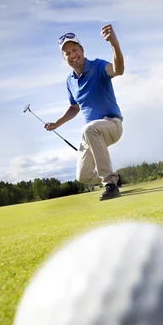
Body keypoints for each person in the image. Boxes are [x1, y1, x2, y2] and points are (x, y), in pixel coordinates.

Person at [45, 25, 124, 201]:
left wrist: (114, 44)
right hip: (91, 134)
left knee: (88, 129)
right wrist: (57, 123)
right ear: (64, 57)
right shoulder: (69, 81)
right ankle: (114, 176)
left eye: (75, 50)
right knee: (83, 177)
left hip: (112, 125)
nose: (72, 55)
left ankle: (110, 184)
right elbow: (74, 107)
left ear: (82, 49)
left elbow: (118, 70)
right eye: (67, 53)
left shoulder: (97, 66)